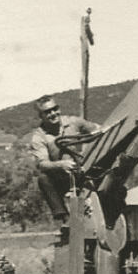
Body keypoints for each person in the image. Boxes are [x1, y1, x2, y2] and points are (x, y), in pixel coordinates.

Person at [31, 96, 100, 231]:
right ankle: (65, 218)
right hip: (63, 177)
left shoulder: (74, 122)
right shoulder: (39, 137)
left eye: (55, 109)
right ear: (41, 116)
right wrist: (60, 164)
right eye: (47, 112)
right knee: (43, 179)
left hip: (84, 169)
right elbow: (42, 163)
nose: (53, 114)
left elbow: (97, 130)